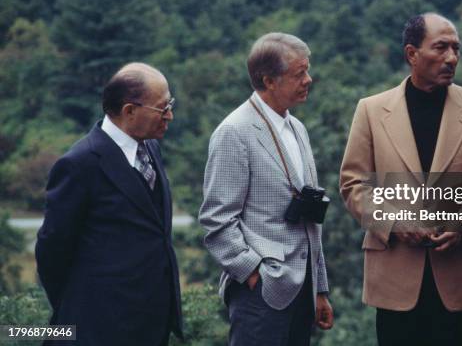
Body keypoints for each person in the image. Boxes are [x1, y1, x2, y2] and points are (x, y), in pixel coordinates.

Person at [340, 13, 462, 345]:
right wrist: (395, 221)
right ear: (411, 54)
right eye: (441, 47)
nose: (452, 58)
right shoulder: (371, 110)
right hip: (395, 277)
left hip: (459, 277)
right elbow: (353, 184)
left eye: (456, 49)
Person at [199, 32, 333, 346]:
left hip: (303, 292)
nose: (309, 80)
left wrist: (320, 289)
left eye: (307, 70)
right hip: (260, 294)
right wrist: (254, 274)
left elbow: (310, 215)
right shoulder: (233, 131)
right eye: (299, 74)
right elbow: (216, 221)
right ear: (268, 80)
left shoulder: (297, 127)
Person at [35, 63, 182, 346]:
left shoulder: (150, 147)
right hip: (99, 325)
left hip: (150, 322)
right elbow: (52, 250)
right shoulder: (79, 164)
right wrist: (81, 307)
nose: (170, 116)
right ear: (129, 111)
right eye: (163, 108)